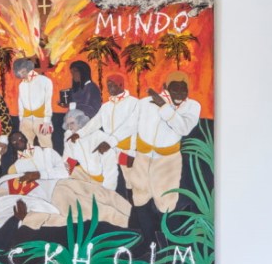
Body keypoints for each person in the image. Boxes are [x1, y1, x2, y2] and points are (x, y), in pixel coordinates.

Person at [0, 131, 131, 246]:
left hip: (64, 183)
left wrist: (40, 174)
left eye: (20, 138)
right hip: (54, 197)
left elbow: (64, 170)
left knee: (107, 196)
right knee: (99, 211)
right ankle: (132, 225)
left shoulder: (37, 158)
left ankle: (136, 216)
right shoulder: (6, 199)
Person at [128, 71, 202, 213]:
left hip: (168, 159)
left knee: (166, 201)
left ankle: (165, 226)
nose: (179, 94)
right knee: (139, 195)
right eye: (175, 89)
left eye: (183, 89)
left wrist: (164, 106)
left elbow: (184, 129)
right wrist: (131, 152)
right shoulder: (145, 103)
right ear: (165, 87)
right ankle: (145, 226)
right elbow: (133, 127)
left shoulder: (193, 106)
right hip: (142, 156)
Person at [68, 74, 138, 191]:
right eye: (108, 86)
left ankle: (132, 201)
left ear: (121, 85)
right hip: (109, 149)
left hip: (127, 149)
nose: (109, 88)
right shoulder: (106, 106)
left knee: (131, 183)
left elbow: (130, 126)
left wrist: (111, 142)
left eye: (112, 85)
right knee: (112, 179)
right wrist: (79, 133)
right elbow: (95, 122)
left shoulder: (134, 103)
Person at [62, 109, 119, 190]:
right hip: (85, 176)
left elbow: (110, 167)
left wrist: (108, 190)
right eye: (67, 124)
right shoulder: (70, 139)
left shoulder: (97, 136)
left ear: (80, 121)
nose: (70, 127)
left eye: (72, 123)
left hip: (101, 179)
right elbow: (68, 159)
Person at [13, 57, 53, 148]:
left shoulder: (45, 81)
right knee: (26, 147)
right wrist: (21, 120)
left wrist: (47, 121)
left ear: (28, 68)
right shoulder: (21, 85)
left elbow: (48, 101)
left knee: (46, 145)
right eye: (19, 73)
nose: (22, 75)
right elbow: (20, 102)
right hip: (26, 120)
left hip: (41, 119)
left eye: (23, 71)